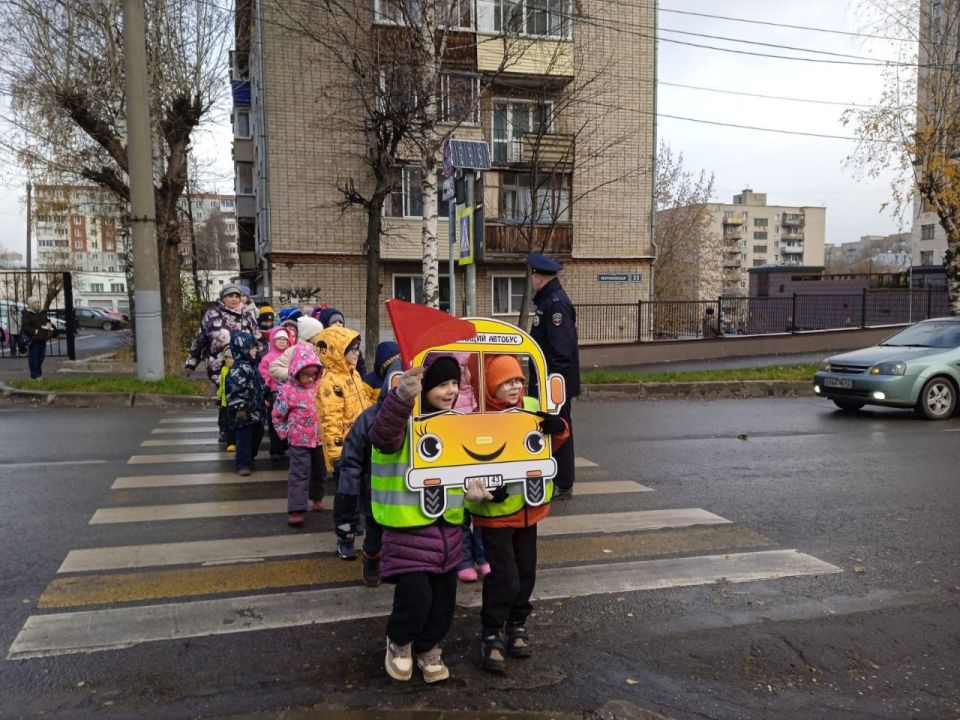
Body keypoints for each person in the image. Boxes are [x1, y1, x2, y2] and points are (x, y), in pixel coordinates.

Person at [466, 353, 569, 674]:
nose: (513, 387)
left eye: (517, 380)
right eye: (504, 382)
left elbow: (545, 446)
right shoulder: (477, 417)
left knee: (526, 573)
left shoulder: (530, 407)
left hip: (530, 508)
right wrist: (483, 486)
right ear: (489, 386)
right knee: (504, 578)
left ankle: (517, 624)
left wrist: (559, 428)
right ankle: (491, 631)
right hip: (496, 514)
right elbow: (467, 461)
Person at [370, 359, 464, 684]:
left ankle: (428, 648)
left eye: (454, 383)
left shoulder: (456, 423)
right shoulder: (401, 418)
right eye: (441, 384)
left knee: (443, 602)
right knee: (416, 597)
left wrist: (477, 491)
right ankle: (399, 643)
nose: (450, 390)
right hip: (408, 528)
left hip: (447, 532)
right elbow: (383, 437)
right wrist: (401, 400)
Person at [316, 325, 372, 559]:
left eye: (358, 349)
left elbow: (365, 400)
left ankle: (355, 524)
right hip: (346, 451)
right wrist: (337, 454)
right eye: (351, 350)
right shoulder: (330, 383)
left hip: (362, 444)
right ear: (337, 352)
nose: (356, 353)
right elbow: (330, 421)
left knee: (363, 489)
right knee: (346, 495)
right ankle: (345, 537)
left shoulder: (353, 374)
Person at [528, 252, 580, 500]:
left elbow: (562, 350)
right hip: (547, 383)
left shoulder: (555, 304)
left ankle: (563, 483)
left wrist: (551, 389)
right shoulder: (548, 302)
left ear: (538, 278)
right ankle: (554, 476)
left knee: (561, 429)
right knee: (550, 429)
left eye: (532, 277)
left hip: (554, 385)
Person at [272, 344, 325, 527]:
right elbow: (278, 415)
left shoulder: (320, 387)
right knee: (299, 474)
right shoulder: (288, 391)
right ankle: (296, 508)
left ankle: (317, 497)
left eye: (313, 374)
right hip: (298, 440)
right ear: (296, 372)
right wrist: (284, 432)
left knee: (320, 471)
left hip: (319, 439)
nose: (310, 379)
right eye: (306, 375)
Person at [184, 283, 259, 388]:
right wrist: (191, 363)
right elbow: (200, 339)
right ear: (223, 298)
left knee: (239, 399)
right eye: (230, 296)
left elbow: (257, 338)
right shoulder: (212, 314)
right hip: (218, 364)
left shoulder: (247, 315)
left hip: (243, 364)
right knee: (224, 395)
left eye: (237, 296)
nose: (234, 299)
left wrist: (257, 355)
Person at [225, 330, 267, 477]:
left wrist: (266, 394)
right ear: (243, 350)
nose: (255, 351)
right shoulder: (238, 369)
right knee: (244, 439)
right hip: (243, 413)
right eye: (252, 348)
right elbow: (234, 390)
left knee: (258, 434)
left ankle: (250, 456)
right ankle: (242, 463)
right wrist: (239, 408)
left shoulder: (254, 366)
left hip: (257, 411)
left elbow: (260, 384)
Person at [259, 326, 294, 458]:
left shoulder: (291, 355)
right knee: (275, 422)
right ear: (273, 341)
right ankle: (275, 450)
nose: (282, 342)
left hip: (290, 394)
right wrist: (267, 391)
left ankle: (285, 445)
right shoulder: (267, 358)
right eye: (279, 339)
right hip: (274, 395)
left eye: (284, 339)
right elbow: (264, 375)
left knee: (289, 421)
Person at [21, 297, 57, 379]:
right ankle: (35, 375)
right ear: (30, 304)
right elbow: (25, 327)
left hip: (42, 338)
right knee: (34, 358)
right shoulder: (27, 314)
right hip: (34, 339)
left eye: (38, 302)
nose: (37, 304)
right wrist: (34, 331)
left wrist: (48, 324)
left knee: (41, 357)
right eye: (35, 302)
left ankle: (38, 375)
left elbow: (47, 320)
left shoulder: (42, 312)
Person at [215, 347, 236, 451]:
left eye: (231, 358)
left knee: (234, 421)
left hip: (234, 401)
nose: (228, 360)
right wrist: (219, 396)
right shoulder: (224, 370)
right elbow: (221, 385)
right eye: (227, 357)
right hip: (224, 401)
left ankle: (234, 440)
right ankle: (225, 435)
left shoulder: (237, 370)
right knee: (224, 419)